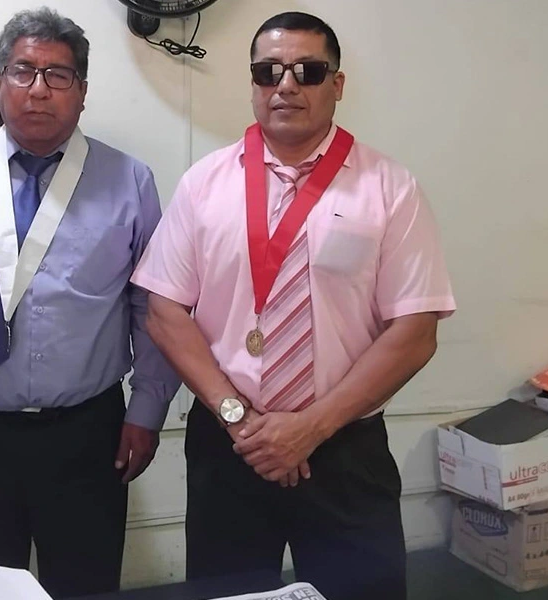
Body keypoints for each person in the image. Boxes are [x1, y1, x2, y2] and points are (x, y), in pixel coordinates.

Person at [131, 11, 456, 600]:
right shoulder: (204, 184)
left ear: (337, 84)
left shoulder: (389, 187)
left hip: (344, 447)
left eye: (308, 71)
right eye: (268, 71)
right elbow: (164, 312)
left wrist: (311, 427)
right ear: (253, 82)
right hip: (231, 445)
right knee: (229, 593)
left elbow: (415, 331)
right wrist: (239, 418)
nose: (286, 85)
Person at [0, 7, 180, 597]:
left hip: (89, 434)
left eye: (58, 75)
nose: (39, 90)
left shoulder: (130, 181)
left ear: (82, 92)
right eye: (23, 71)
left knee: (85, 585)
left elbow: (152, 305)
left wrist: (148, 408)